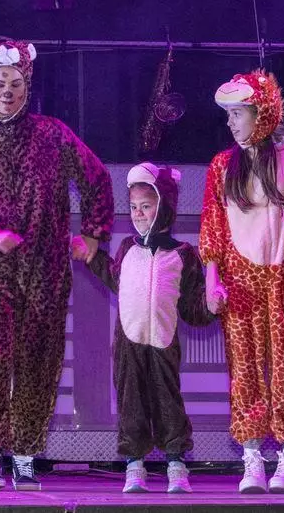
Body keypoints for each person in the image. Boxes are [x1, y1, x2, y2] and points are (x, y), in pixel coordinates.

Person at [0, 37, 113, 491]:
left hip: (46, 273)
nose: (7, 91)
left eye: (16, 83)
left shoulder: (52, 134)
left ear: (27, 86)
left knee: (39, 364)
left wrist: (93, 234)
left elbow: (97, 178)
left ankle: (24, 454)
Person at [199, 69, 284, 494]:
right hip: (240, 279)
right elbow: (213, 226)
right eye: (229, 115)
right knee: (245, 367)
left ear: (263, 113)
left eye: (239, 114)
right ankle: (252, 457)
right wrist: (212, 279)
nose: (231, 123)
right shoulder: (222, 165)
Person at [82, 163, 213, 494]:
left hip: (163, 342)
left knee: (168, 401)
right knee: (131, 402)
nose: (138, 214)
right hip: (128, 342)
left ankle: (176, 464)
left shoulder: (183, 255)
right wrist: (91, 257)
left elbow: (192, 309)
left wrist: (212, 304)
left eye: (146, 206)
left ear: (164, 207)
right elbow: (115, 278)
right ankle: (134, 465)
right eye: (133, 207)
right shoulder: (128, 248)